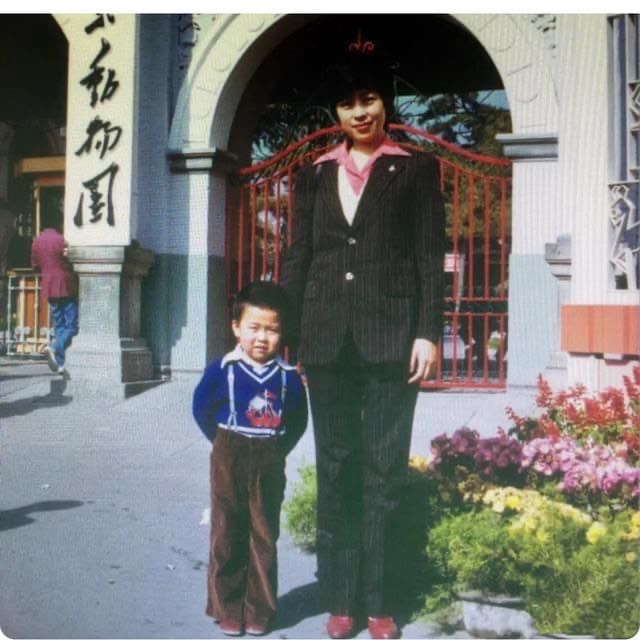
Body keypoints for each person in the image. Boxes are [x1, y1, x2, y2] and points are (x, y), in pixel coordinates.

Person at [281, 51, 446, 640]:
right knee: (335, 467)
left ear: (385, 104)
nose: (359, 112)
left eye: (369, 99)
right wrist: (288, 332)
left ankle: (381, 602)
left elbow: (429, 255)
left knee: (383, 469)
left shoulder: (415, 169)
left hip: (392, 339)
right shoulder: (314, 173)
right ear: (336, 112)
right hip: (326, 340)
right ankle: (341, 599)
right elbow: (299, 254)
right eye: (348, 103)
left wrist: (428, 331)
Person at [192, 281, 308, 637]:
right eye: (253, 328)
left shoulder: (288, 378)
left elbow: (297, 421)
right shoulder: (222, 369)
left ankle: (259, 609)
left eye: (272, 330)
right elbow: (201, 408)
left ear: (282, 333)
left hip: (270, 456)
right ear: (236, 327)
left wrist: (276, 450)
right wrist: (222, 443)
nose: (262, 338)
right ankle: (227, 607)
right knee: (226, 531)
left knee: (263, 533)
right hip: (229, 453)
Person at [30, 206, 78, 374]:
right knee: (71, 324)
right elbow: (70, 261)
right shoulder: (61, 240)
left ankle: (59, 362)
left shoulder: (36, 242)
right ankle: (55, 347)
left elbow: (35, 265)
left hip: (49, 286)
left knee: (59, 323)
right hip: (66, 284)